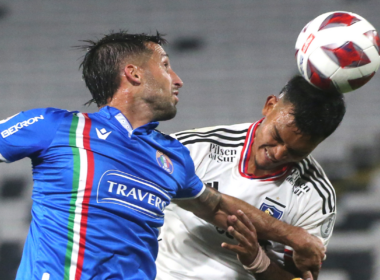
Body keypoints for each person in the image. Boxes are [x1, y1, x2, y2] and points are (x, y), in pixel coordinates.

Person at [0, 31, 324, 280]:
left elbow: (220, 208)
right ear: (134, 74)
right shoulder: (57, 128)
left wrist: (295, 236)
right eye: (167, 66)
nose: (178, 80)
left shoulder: (171, 157)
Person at [156, 75, 346, 280]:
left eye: (296, 152)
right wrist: (289, 234)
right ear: (270, 106)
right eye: (277, 137)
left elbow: (298, 278)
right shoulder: (192, 148)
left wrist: (258, 262)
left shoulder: (316, 197)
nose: (279, 154)